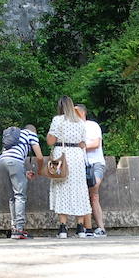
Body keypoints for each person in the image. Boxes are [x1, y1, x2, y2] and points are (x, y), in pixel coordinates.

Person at [47, 96, 92, 238]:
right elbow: (83, 143)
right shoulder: (80, 122)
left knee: (62, 188)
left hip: (62, 154)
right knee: (79, 189)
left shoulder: (58, 120)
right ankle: (80, 227)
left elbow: (50, 141)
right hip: (77, 157)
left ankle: (63, 228)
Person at [0, 123, 44, 239]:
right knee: (20, 195)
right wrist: (40, 170)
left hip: (2, 161)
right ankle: (19, 229)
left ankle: (14, 227)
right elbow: (39, 157)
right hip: (15, 162)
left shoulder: (15, 136)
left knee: (12, 197)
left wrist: (24, 172)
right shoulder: (31, 134)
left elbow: (12, 159)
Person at [77, 104, 107, 237]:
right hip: (80, 165)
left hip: (95, 163)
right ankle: (84, 227)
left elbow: (95, 144)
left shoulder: (92, 125)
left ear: (83, 113)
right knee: (86, 195)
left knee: (93, 190)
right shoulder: (73, 128)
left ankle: (100, 228)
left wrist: (79, 146)